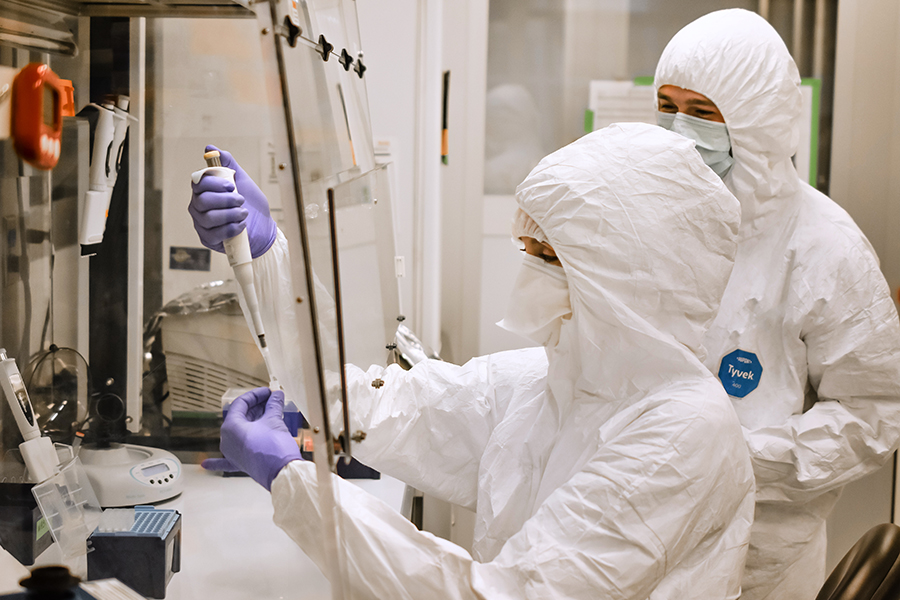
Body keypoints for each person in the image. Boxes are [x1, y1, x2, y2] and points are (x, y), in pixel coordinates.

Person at [189, 123, 755, 598]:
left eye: (550, 255)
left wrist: (293, 481)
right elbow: (388, 408)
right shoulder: (556, 382)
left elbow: (506, 594)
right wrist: (265, 255)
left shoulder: (684, 436)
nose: (528, 269)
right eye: (526, 248)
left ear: (631, 278)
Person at [653, 9, 900, 600]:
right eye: (667, 107)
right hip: (642, 533)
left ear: (756, 120)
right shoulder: (655, 216)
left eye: (703, 112)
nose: (680, 128)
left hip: (759, 559)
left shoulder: (825, 248)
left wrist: (741, 460)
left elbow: (874, 411)